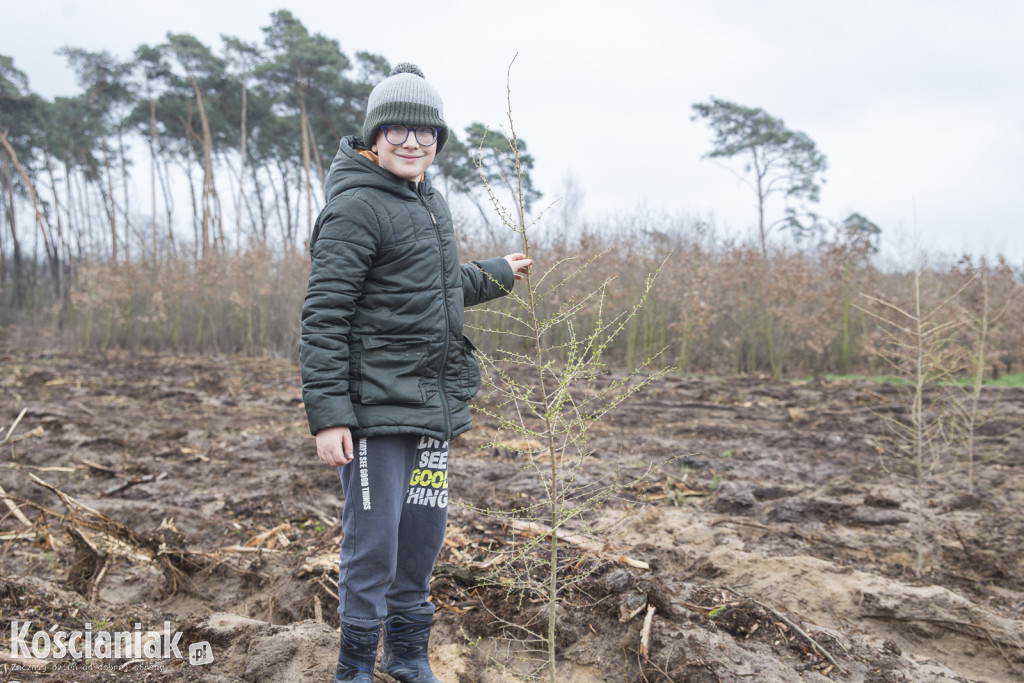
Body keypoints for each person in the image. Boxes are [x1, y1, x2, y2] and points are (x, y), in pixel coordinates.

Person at [299, 62, 532, 683]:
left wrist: (497, 273)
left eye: (425, 133)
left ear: (437, 142)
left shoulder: (427, 202)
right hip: (373, 413)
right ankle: (354, 668)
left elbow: (433, 287)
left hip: (429, 406)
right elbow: (324, 317)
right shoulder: (354, 208)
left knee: (422, 538)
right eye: (397, 130)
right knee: (372, 545)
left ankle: (406, 656)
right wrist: (329, 417)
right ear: (374, 138)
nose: (411, 142)